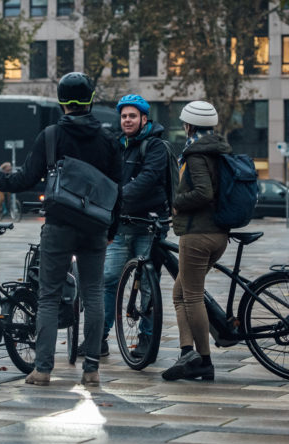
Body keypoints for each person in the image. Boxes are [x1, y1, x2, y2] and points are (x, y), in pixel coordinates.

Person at [0, 72, 121, 387]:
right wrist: (112, 227)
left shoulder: (51, 136)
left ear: (62, 102)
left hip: (60, 225)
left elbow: (24, 179)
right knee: (94, 293)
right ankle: (91, 369)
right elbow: (117, 189)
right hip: (95, 227)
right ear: (90, 100)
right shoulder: (108, 139)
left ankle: (42, 370)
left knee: (49, 296)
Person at [76, 94, 170, 359]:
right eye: (124, 116)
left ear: (144, 118)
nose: (127, 120)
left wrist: (115, 196)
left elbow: (147, 180)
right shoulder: (117, 144)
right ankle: (99, 339)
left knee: (148, 286)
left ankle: (146, 340)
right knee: (108, 280)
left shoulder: (156, 146)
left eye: (132, 116)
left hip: (150, 227)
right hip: (122, 225)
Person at [163, 100, 231, 381]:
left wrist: (177, 203)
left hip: (197, 235)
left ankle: (203, 359)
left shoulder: (195, 154)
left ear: (189, 125)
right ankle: (186, 353)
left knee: (190, 296)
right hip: (218, 234)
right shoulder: (218, 150)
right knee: (180, 293)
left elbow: (203, 193)